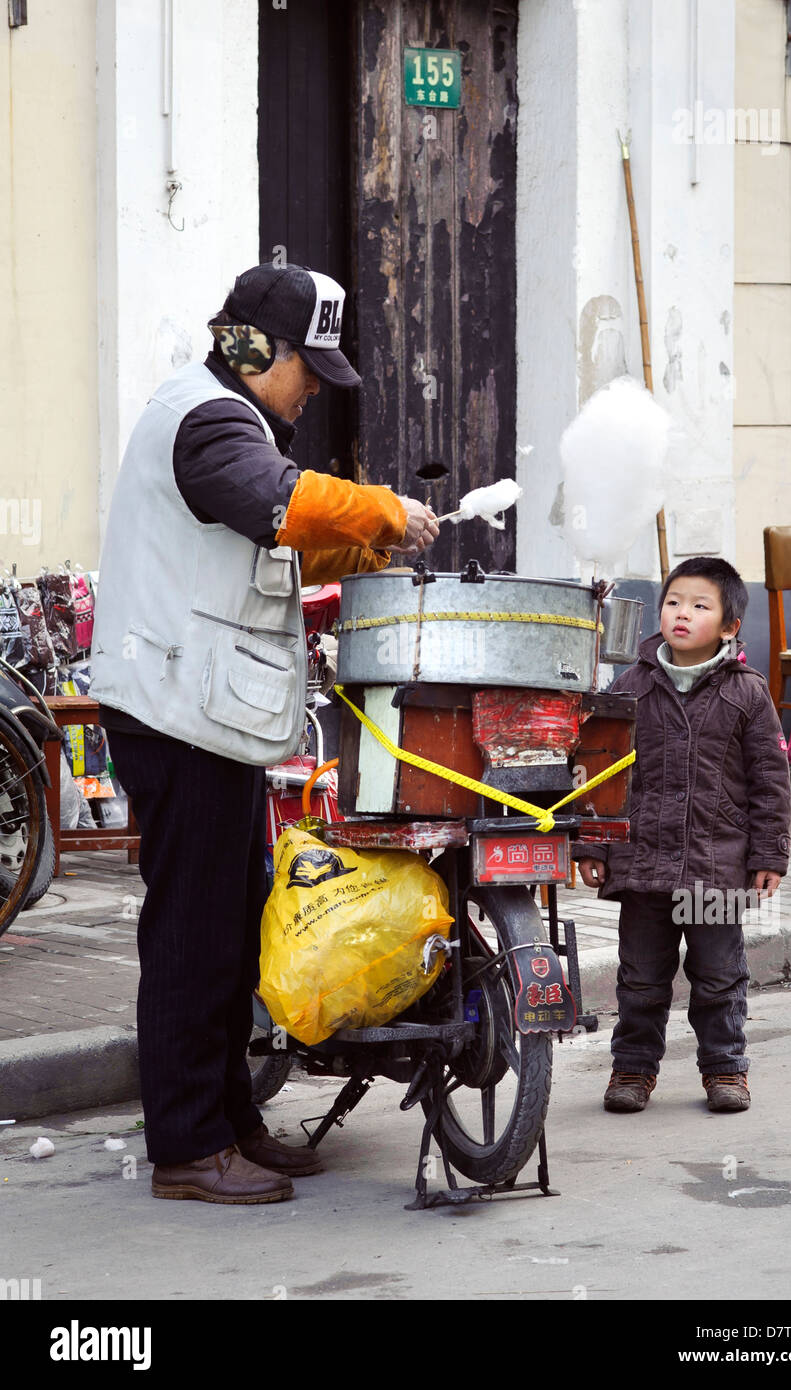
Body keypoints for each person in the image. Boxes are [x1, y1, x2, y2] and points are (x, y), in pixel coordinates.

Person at [89, 262, 439, 1203]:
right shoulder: (208, 419)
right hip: (178, 714)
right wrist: (382, 511)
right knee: (193, 936)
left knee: (232, 925)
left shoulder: (223, 419)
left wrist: (373, 538)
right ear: (253, 348)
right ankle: (188, 1149)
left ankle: (230, 1120)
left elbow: (272, 529)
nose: (314, 388)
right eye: (305, 367)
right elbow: (282, 504)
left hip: (208, 716)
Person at [574, 557, 791, 1115]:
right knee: (641, 980)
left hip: (718, 869)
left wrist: (768, 854)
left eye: (700, 605)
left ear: (728, 627)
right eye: (673, 602)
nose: (682, 613)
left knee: (719, 978)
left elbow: (770, 779)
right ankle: (632, 1070)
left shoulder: (748, 692)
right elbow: (604, 771)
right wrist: (594, 843)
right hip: (643, 865)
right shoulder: (632, 685)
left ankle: (725, 1070)